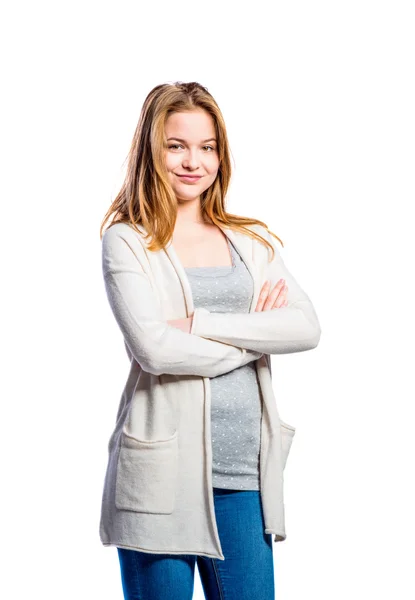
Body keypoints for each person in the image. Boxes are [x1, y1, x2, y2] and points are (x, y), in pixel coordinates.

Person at [98, 81, 321, 600]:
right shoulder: (129, 241)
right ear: (151, 150)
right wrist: (255, 339)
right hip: (161, 477)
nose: (192, 161)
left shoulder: (250, 243)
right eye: (176, 145)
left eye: (208, 146)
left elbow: (305, 328)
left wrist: (196, 323)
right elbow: (153, 349)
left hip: (244, 477)